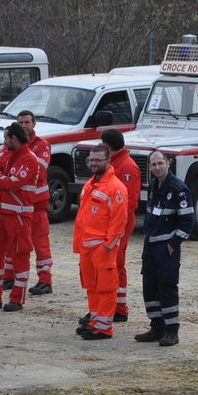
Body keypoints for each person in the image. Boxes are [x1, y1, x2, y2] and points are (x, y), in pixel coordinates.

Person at [134, 150, 194, 347]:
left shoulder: (178, 188)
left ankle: (171, 330)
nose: (157, 167)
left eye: (160, 163)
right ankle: (156, 327)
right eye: (153, 165)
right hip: (151, 245)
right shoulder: (153, 186)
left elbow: (187, 222)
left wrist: (171, 244)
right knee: (149, 288)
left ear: (168, 163)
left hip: (166, 247)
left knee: (167, 287)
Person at [0, 122, 47, 311]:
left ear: (14, 138)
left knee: (20, 256)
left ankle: (17, 299)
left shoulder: (30, 159)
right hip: (2, 214)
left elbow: (14, 182)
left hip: (19, 216)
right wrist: (2, 180)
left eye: (6, 138)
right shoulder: (7, 156)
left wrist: (1, 180)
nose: (4, 142)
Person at [74, 144, 130, 340]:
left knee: (106, 288)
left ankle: (104, 328)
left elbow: (119, 221)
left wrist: (108, 245)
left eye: (98, 160)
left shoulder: (116, 188)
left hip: (102, 249)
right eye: (91, 160)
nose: (93, 163)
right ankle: (95, 322)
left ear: (108, 161)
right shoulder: (90, 184)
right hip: (87, 248)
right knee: (91, 287)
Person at [102, 127, 141, 322]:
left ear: (108, 146)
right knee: (114, 264)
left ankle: (116, 308)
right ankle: (116, 307)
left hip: (120, 224)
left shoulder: (126, 166)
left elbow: (131, 203)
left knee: (114, 264)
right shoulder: (116, 164)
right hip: (113, 223)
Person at [15, 110, 55, 295]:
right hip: (18, 203)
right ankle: (10, 277)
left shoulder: (42, 145)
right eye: (21, 122)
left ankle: (45, 280)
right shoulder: (13, 144)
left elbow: (37, 167)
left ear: (34, 123)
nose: (24, 126)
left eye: (27, 122)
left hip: (37, 203)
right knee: (14, 243)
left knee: (41, 244)